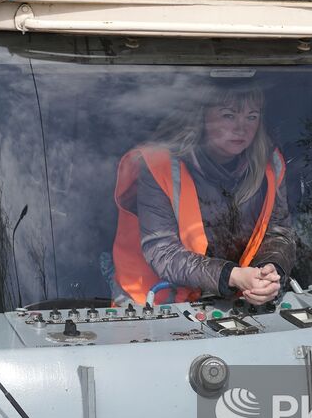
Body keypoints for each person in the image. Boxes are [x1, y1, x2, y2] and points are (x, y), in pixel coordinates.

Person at [112, 83, 295, 306]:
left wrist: (269, 272)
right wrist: (232, 276)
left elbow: (279, 233)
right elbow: (162, 251)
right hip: (156, 304)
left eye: (251, 117)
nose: (241, 128)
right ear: (201, 118)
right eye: (229, 116)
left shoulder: (270, 164)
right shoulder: (158, 166)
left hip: (235, 301)